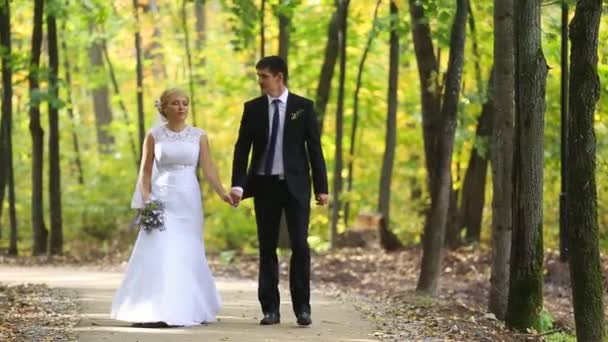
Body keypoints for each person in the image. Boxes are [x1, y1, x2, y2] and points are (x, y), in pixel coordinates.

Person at [111, 88, 231, 327]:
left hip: (188, 199)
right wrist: (147, 202)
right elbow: (145, 173)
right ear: (164, 108)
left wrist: (223, 193)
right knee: (160, 249)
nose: (181, 107)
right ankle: (150, 307)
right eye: (175, 103)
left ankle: (188, 306)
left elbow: (208, 168)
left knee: (187, 250)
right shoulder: (154, 135)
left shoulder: (199, 135)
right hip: (162, 198)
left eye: (184, 103)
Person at [230, 56, 329, 326]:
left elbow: (315, 149)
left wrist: (322, 187)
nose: (260, 81)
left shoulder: (303, 107)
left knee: (300, 245)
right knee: (267, 247)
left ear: (279, 77)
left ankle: (303, 309)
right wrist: (238, 184)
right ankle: (270, 309)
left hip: (295, 186)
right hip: (264, 186)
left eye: (263, 76)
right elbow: (242, 149)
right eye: (259, 76)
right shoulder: (253, 109)